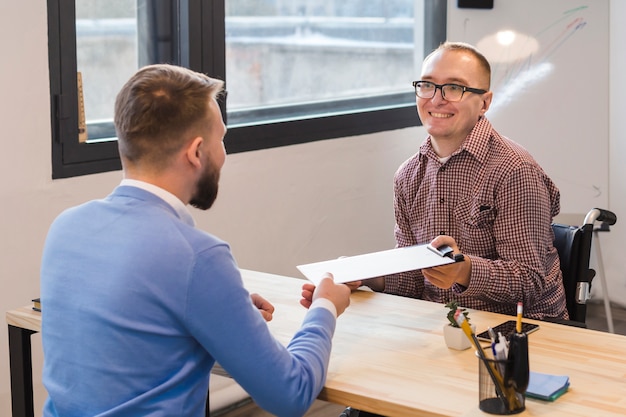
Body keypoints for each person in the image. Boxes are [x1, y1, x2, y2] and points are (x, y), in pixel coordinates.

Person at [40, 64, 351, 417]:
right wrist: (326, 307)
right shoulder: (197, 256)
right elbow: (290, 394)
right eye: (221, 139)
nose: (224, 154)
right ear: (196, 152)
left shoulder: (65, 226)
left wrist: (219, 306)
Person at [353, 41, 568, 321]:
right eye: (427, 85)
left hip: (521, 333)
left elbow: (530, 282)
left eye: (454, 88)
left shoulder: (514, 170)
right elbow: (413, 281)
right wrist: (367, 277)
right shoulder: (407, 176)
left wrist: (463, 270)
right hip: (443, 326)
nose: (436, 99)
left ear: (485, 103)